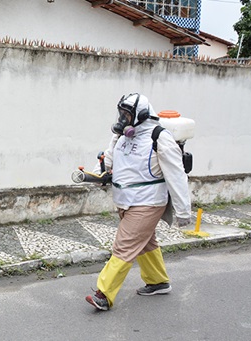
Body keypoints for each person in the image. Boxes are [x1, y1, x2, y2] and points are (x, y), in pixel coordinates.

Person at [85, 93, 192, 311]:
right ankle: (158, 282)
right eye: (121, 113)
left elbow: (177, 175)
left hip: (148, 202)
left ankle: (104, 294)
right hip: (125, 201)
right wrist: (99, 175)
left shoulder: (159, 138)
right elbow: (107, 160)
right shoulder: (122, 137)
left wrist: (183, 212)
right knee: (145, 242)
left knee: (124, 245)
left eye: (127, 114)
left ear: (141, 115)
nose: (123, 119)